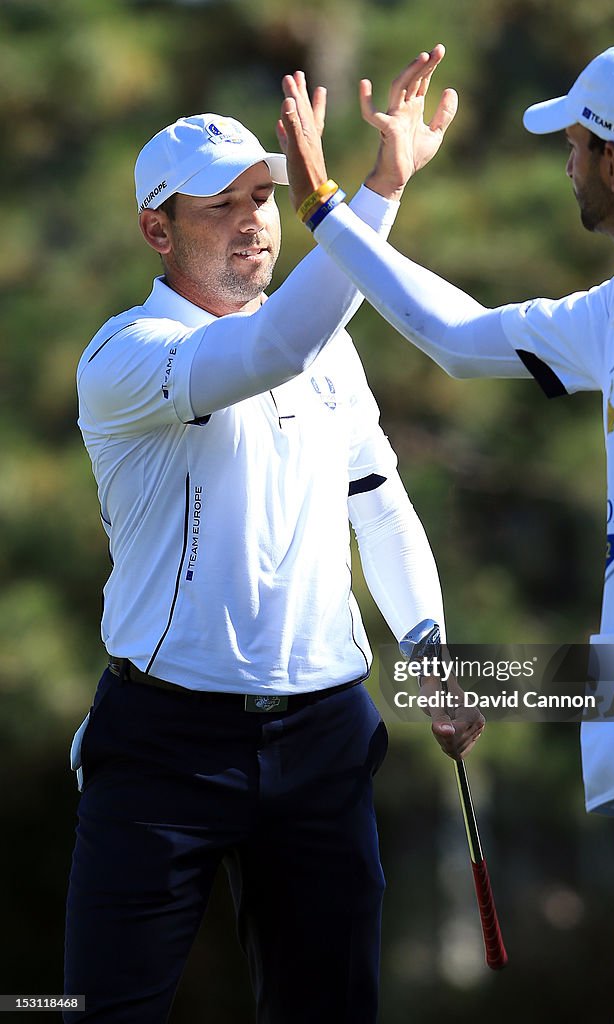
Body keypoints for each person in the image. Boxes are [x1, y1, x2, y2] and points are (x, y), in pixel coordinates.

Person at [278, 38, 614, 1022]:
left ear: (610, 160)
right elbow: (459, 341)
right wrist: (326, 215)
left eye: (573, 141)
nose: (564, 161)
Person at [65, 47, 483, 1024]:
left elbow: (376, 498)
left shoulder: (325, 335)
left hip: (323, 735)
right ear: (153, 228)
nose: (254, 219)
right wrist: (373, 190)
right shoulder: (127, 355)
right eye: (223, 203)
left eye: (263, 194)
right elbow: (268, 347)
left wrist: (424, 643)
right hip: (164, 743)